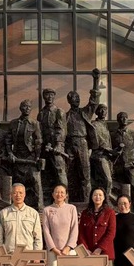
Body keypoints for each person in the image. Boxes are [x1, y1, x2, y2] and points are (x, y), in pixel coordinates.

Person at [66, 69, 101, 202]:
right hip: (69, 145)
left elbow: (94, 101)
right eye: (74, 98)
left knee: (85, 174)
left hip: (82, 144)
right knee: (69, 174)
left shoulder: (84, 112)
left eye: (78, 98)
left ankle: (86, 201)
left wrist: (96, 80)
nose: (77, 100)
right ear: (69, 100)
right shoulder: (65, 116)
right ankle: (69, 200)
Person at [7, 99, 43, 210]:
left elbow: (38, 141)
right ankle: (15, 207)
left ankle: (40, 208)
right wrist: (10, 153)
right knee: (17, 184)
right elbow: (8, 140)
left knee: (36, 182)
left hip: (31, 157)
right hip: (17, 157)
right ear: (20, 108)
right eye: (24, 106)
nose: (27, 109)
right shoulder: (13, 123)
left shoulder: (35, 123)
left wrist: (37, 157)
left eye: (29, 107)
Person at [112, 111, 134, 215]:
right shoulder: (113, 135)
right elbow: (110, 151)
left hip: (131, 166)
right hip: (118, 167)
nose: (124, 119)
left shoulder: (133, 133)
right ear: (118, 120)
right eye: (121, 117)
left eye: (125, 117)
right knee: (121, 190)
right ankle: (121, 211)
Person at [37, 88, 68, 200]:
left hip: (56, 147)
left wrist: (58, 144)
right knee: (45, 173)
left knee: (60, 172)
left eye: (51, 95)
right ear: (43, 97)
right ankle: (47, 199)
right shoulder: (41, 113)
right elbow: (39, 131)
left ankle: (65, 199)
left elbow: (61, 129)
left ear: (54, 97)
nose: (49, 97)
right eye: (47, 94)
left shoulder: (59, 111)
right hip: (45, 148)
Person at [90, 103, 114, 199]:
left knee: (104, 181)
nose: (103, 112)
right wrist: (108, 150)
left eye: (105, 109)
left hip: (107, 156)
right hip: (99, 156)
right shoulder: (94, 125)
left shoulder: (105, 126)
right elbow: (96, 143)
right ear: (96, 112)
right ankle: (106, 200)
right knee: (108, 180)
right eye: (101, 109)